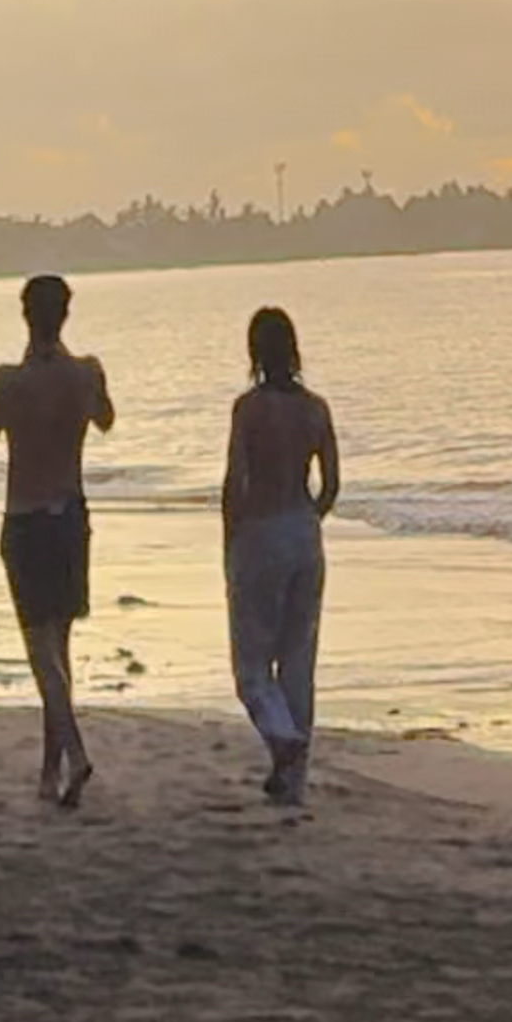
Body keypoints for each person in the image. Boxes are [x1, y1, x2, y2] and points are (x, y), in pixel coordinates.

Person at [0, 273, 115, 803]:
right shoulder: (86, 373)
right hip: (70, 515)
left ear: (24, 316)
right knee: (58, 649)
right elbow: (105, 417)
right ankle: (48, 771)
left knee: (42, 651)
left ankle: (74, 754)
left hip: (27, 517)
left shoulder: (9, 381)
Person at [220, 305, 339, 809]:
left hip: (260, 531)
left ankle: (280, 738)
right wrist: (309, 519)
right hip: (303, 530)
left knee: (251, 664)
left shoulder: (249, 409)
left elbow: (235, 481)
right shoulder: (315, 408)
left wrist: (230, 539)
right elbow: (331, 485)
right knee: (297, 660)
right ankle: (293, 779)